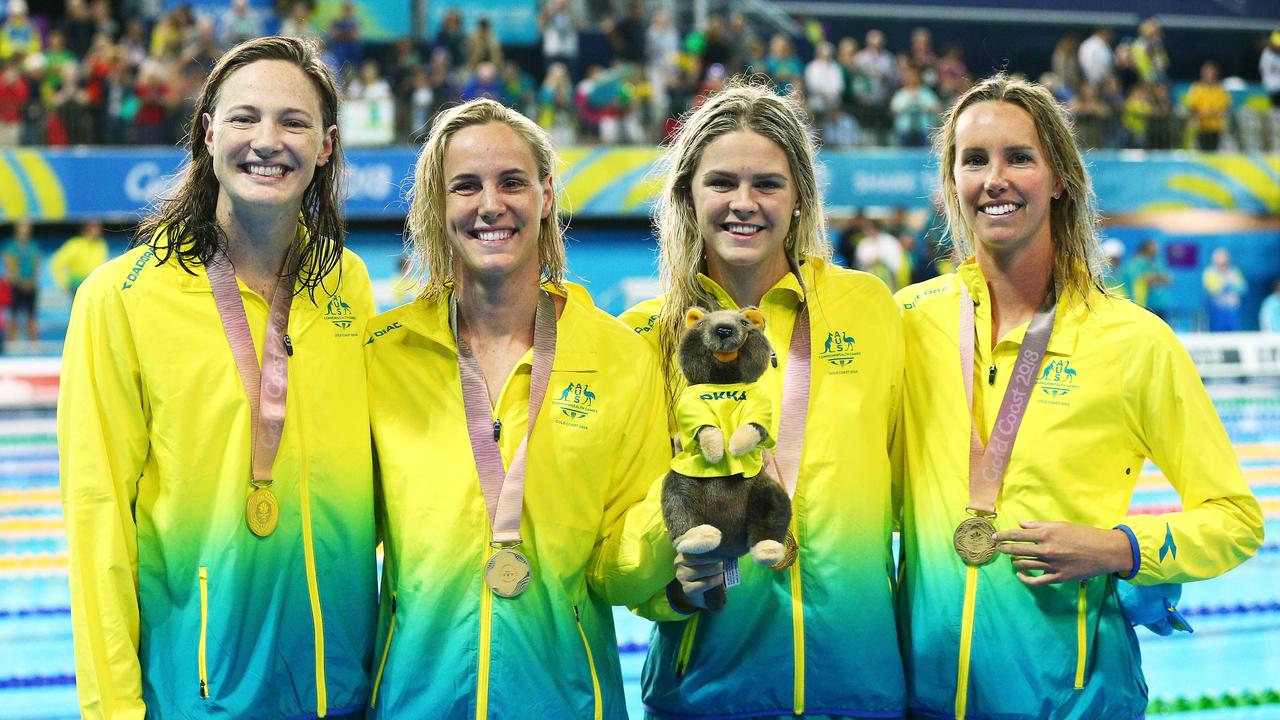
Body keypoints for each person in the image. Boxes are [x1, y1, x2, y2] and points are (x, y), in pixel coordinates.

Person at [895, 74, 1263, 720]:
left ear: (1060, 178)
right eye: (974, 159)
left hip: (1074, 697)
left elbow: (1235, 520)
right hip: (919, 698)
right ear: (952, 181)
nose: (995, 178)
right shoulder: (908, 322)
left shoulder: (1133, 342)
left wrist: (1118, 548)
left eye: (1020, 158)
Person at [57, 36, 377, 718]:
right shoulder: (120, 299)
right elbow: (98, 520)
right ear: (207, 135)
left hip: (344, 689)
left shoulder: (348, 284)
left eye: (294, 121)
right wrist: (112, 709)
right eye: (244, 118)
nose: (269, 140)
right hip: (201, 694)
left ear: (325, 145)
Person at [362, 98, 670, 718]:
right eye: (466, 187)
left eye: (512, 182)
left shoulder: (618, 357)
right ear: (436, 205)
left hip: (569, 701)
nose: (491, 205)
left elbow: (627, 566)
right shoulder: (379, 357)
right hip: (414, 704)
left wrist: (691, 518)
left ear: (547, 194)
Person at [620, 81, 906, 719]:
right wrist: (672, 589)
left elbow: (913, 489)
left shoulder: (868, 309)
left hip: (858, 691)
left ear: (800, 195)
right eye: (721, 182)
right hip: (707, 692)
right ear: (688, 194)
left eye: (767, 184)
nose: (742, 203)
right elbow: (612, 539)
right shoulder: (645, 336)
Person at [49, 220, 109, 301]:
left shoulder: (101, 244)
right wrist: (65, 282)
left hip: (97, 285)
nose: (97, 231)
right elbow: (56, 263)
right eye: (93, 228)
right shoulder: (75, 244)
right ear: (85, 230)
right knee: (80, 312)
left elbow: (103, 265)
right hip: (78, 284)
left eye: (98, 227)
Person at [2, 218, 38, 343]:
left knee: (32, 316)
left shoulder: (33, 246)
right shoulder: (11, 247)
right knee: (13, 315)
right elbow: (10, 266)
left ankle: (34, 344)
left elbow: (36, 265)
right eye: (22, 230)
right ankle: (12, 343)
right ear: (16, 231)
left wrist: (31, 281)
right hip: (16, 285)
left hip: (30, 286)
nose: (24, 233)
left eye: (26, 230)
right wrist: (20, 282)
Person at [1121, 237, 1171, 319]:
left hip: (1159, 305)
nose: (1156, 249)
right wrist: (1156, 277)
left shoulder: (1157, 262)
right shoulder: (1136, 263)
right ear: (1146, 247)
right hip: (1143, 306)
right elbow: (1143, 278)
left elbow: (1168, 279)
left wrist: (1155, 277)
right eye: (1153, 246)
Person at [1202, 246, 1247, 332]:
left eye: (1225, 260)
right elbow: (1210, 288)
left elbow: (1243, 287)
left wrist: (1233, 287)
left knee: (1234, 332)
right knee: (1217, 333)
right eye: (1220, 261)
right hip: (1217, 308)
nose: (1223, 263)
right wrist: (1223, 287)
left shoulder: (1234, 271)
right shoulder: (1210, 272)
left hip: (1233, 309)